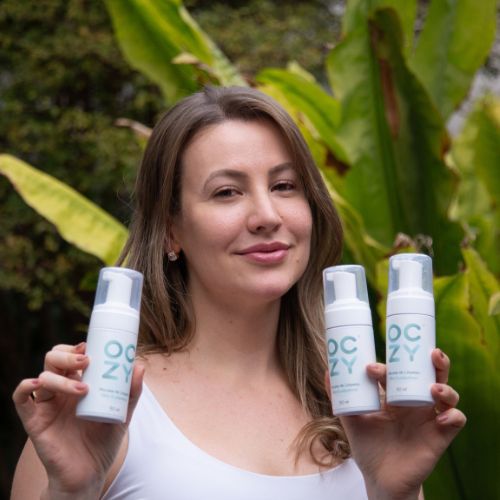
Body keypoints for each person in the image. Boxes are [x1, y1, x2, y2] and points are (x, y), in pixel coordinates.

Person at [11, 86, 465, 499]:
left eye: (284, 186)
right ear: (171, 230)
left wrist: (395, 492)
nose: (266, 215)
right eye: (227, 192)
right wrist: (72, 490)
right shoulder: (101, 412)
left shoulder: (360, 410)